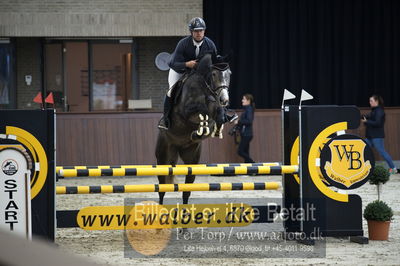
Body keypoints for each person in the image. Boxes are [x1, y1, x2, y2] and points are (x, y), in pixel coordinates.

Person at [158, 17, 236, 130]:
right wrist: (186, 64)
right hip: (179, 70)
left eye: (201, 30)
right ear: (191, 32)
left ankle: (223, 114)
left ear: (204, 31)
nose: (199, 33)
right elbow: (172, 63)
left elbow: (214, 61)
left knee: (215, 88)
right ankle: (165, 119)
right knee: (171, 91)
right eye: (196, 31)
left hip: (198, 73)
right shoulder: (183, 43)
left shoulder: (210, 44)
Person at [362, 95, 397, 174]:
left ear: (376, 101)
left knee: (382, 152)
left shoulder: (379, 111)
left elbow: (378, 123)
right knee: (363, 149)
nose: (369, 102)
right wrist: (362, 117)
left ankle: (393, 168)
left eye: (371, 101)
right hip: (370, 136)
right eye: (369, 101)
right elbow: (367, 116)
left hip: (377, 136)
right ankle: (364, 168)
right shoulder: (374, 111)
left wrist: (366, 121)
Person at [235, 94, 255, 163]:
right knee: (246, 152)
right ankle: (250, 170)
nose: (242, 100)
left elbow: (249, 121)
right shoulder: (246, 109)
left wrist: (239, 121)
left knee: (240, 151)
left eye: (244, 99)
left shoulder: (248, 109)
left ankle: (253, 163)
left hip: (247, 134)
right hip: (245, 134)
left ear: (248, 101)